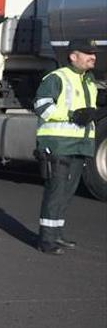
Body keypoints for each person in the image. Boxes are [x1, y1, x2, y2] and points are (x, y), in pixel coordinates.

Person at [33, 39, 100, 255]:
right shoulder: (57, 78)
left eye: (94, 53)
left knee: (67, 192)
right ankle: (46, 240)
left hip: (79, 144)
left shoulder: (89, 81)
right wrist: (71, 115)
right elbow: (42, 107)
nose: (93, 56)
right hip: (58, 144)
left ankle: (56, 234)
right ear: (73, 56)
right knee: (56, 191)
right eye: (87, 52)